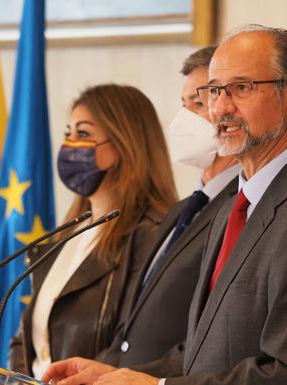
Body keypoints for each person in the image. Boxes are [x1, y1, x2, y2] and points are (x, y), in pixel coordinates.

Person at [42, 24, 287, 385]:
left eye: (241, 88)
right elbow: (204, 353)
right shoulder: (234, 208)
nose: (221, 107)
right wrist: (123, 375)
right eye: (214, 91)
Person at [7, 84, 178, 377]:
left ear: (126, 143)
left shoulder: (153, 235)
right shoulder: (68, 234)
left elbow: (135, 343)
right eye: (67, 135)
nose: (70, 145)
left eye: (83, 134)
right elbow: (26, 338)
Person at [96, 46, 240, 367]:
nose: (184, 118)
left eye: (199, 103)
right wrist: (101, 371)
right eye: (183, 104)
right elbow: (134, 322)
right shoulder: (180, 211)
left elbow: (217, 333)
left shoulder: (241, 211)